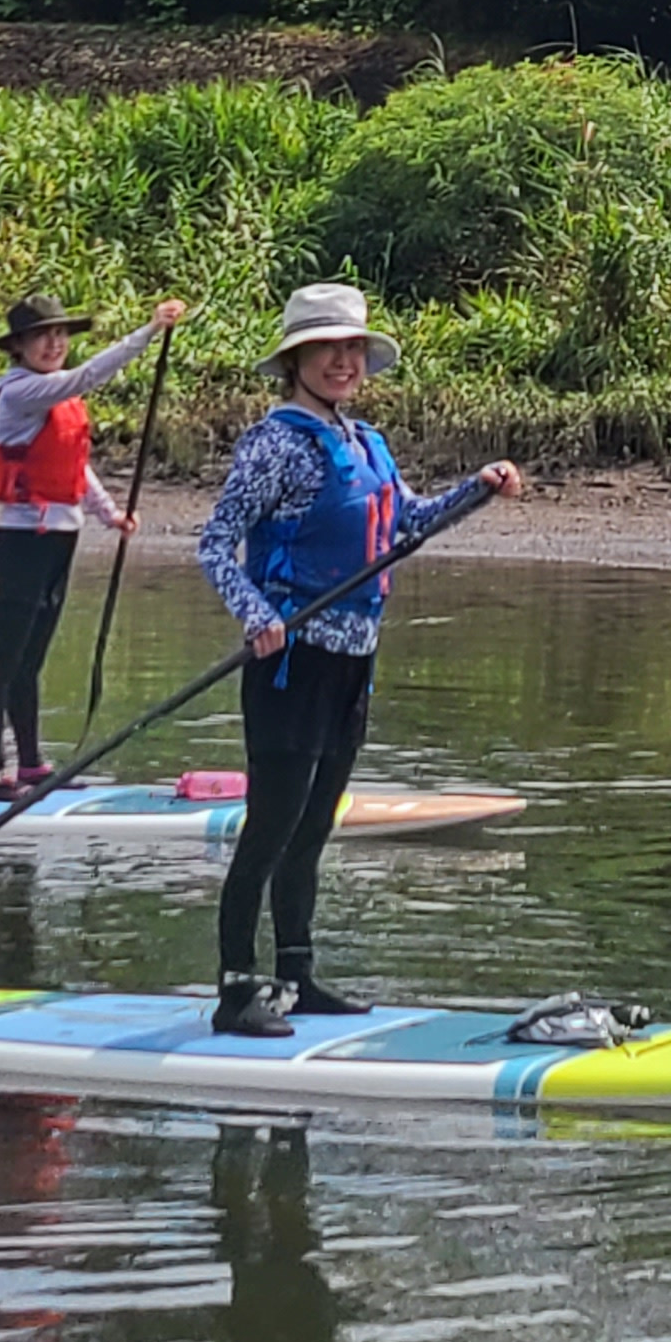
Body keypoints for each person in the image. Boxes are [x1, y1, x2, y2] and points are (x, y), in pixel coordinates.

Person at [195, 283, 524, 1040]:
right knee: (271, 827)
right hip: (290, 663)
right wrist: (258, 614)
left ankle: (297, 975)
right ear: (297, 360)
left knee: (314, 826)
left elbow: (404, 523)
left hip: (353, 663)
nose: (344, 362)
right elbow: (215, 544)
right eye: (327, 349)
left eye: (353, 350)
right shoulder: (273, 443)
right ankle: (235, 989)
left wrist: (478, 490)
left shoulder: (365, 440)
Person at [0, 290, 186, 799]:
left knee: (32, 659)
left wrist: (109, 513)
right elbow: (89, 376)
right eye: (40, 337)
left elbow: (74, 466)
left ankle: (30, 765)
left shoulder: (56, 396)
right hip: (23, 541)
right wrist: (148, 332)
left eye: (59, 335)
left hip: (59, 540)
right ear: (19, 348)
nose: (53, 344)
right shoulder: (21, 392)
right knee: (4, 659)